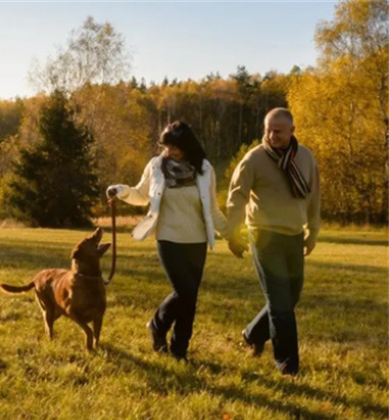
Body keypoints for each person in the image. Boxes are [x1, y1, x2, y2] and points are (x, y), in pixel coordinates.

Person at [106, 121, 227, 360]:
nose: (169, 151)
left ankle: (180, 350)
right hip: (167, 237)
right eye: (166, 146)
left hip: (197, 241)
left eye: (174, 147)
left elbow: (212, 209)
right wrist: (120, 191)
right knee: (184, 290)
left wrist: (231, 233)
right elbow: (141, 195)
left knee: (190, 298)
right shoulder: (156, 166)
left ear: (187, 146)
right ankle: (157, 325)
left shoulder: (204, 169)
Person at [226, 107, 320, 376]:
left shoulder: (305, 157)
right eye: (267, 130)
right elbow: (236, 197)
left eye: (277, 131)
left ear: (292, 131)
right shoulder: (254, 158)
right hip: (264, 236)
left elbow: (314, 197)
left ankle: (252, 333)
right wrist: (233, 233)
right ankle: (288, 365)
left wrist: (312, 231)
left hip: (293, 235)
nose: (271, 135)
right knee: (279, 303)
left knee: (291, 297)